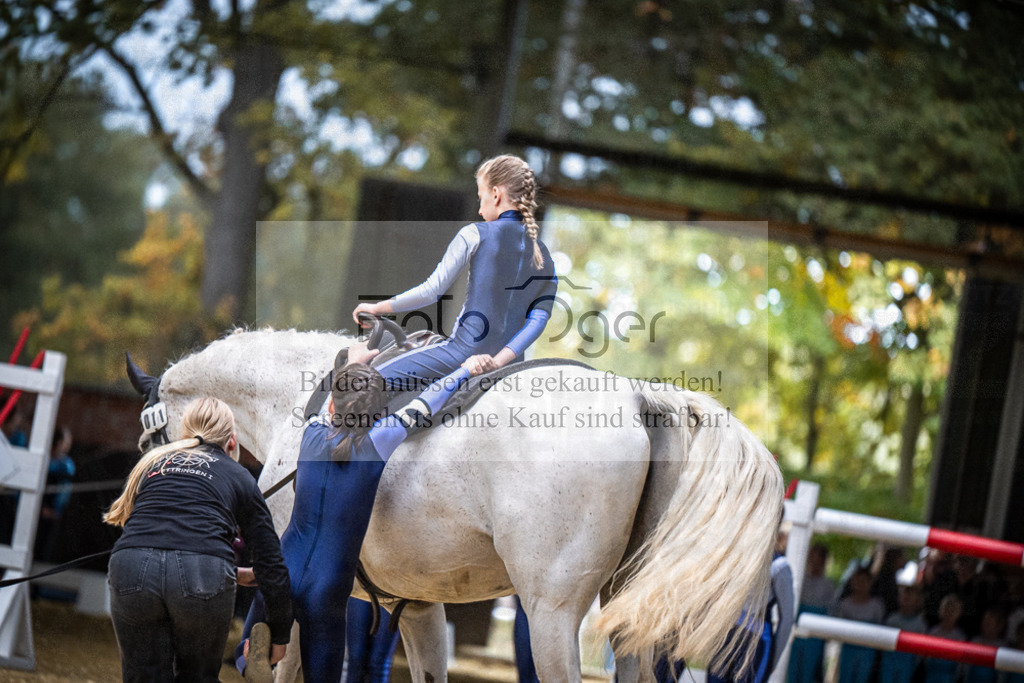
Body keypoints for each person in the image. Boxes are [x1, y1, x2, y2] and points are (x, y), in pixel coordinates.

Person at [237, 340, 487, 683]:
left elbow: (330, 399)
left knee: (261, 623)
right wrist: (464, 369)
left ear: (331, 404)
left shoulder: (311, 431)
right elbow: (422, 405)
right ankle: (272, 648)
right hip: (328, 585)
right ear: (377, 413)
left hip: (283, 567)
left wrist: (352, 362)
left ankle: (257, 651)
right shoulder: (377, 441)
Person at [103, 397, 291, 683]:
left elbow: (151, 531)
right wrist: (279, 634)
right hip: (203, 574)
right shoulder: (240, 476)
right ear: (232, 440)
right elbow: (271, 565)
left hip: (131, 565)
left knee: (143, 677)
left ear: (184, 432)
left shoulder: (152, 462)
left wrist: (230, 573)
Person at [352, 154, 558, 390]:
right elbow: (538, 321)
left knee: (365, 381)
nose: (480, 210)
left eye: (481, 199)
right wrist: (498, 362)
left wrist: (377, 308)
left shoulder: (475, 234)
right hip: (509, 370)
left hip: (461, 353)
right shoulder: (546, 258)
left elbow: (432, 291)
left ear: (496, 194)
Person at [704, 527, 795, 683]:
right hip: (742, 638)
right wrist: (773, 659)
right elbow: (787, 618)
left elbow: (786, 618)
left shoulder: (776, 565)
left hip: (740, 638)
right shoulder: (777, 565)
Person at [787, 542, 835, 683]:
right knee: (793, 667)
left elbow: (831, 610)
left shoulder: (828, 585)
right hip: (797, 627)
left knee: (809, 669)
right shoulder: (800, 580)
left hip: (816, 633)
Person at [834, 567, 884, 683]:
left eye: (864, 581)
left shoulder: (877, 606)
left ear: (870, 583)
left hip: (867, 651)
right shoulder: (845, 604)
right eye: (857, 581)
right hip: (848, 649)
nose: (860, 585)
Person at [879, 584, 927, 683]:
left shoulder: (920, 624)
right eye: (904, 596)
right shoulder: (891, 619)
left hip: (908, 664)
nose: (907, 598)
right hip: (889, 661)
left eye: (911, 596)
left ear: (918, 601)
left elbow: (921, 652)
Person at [923, 594, 965, 683]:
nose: (949, 613)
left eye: (953, 610)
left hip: (949, 676)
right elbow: (926, 657)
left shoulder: (960, 637)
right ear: (940, 610)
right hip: (931, 674)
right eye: (946, 609)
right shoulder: (933, 632)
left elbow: (960, 665)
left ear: (959, 613)